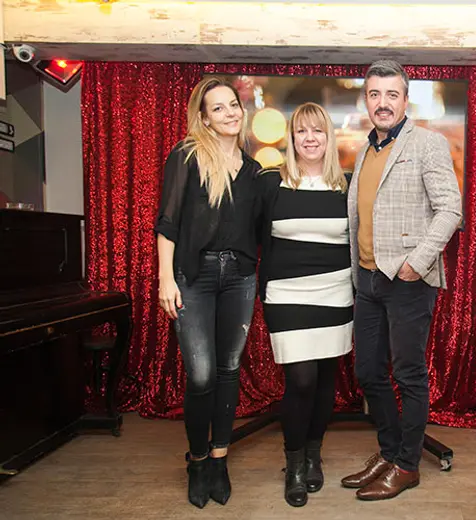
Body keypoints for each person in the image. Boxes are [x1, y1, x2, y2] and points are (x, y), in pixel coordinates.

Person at [341, 60, 462, 500]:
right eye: (375, 94)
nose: (383, 103)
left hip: (409, 279)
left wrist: (417, 261)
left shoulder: (428, 143)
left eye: (392, 94)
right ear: (366, 100)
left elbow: (450, 209)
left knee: (408, 375)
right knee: (368, 372)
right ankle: (390, 452)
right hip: (369, 279)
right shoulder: (365, 151)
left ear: (405, 100)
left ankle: (407, 466)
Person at [155, 76, 262, 509]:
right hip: (194, 277)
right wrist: (165, 279)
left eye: (233, 104)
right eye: (218, 108)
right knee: (201, 375)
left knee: (229, 370)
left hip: (240, 277)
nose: (229, 113)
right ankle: (197, 460)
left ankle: (219, 460)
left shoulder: (252, 169)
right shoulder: (186, 156)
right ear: (203, 117)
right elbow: (168, 222)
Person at [255, 102, 353, 507]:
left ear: (329, 137)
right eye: (301, 131)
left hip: (336, 292)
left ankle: (313, 455)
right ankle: (293, 464)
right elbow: (248, 236)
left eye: (318, 131)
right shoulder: (270, 183)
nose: (310, 138)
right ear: (291, 138)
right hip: (286, 294)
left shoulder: (347, 186)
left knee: (326, 378)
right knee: (301, 380)